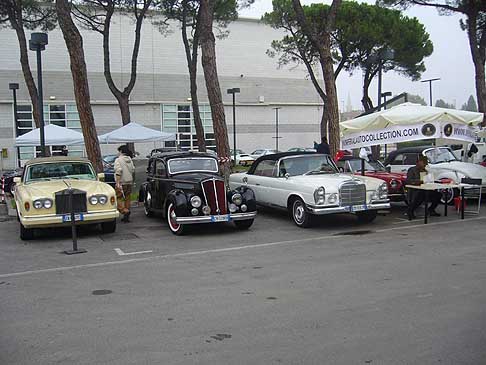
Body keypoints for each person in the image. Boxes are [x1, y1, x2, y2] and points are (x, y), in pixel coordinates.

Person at [114, 145, 135, 222]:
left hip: (122, 182)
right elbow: (133, 170)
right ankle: (126, 216)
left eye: (118, 151)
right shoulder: (130, 159)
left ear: (121, 151)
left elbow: (119, 171)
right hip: (129, 182)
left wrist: (117, 183)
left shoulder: (118, 160)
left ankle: (125, 211)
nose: (118, 153)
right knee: (127, 198)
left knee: (118, 198)